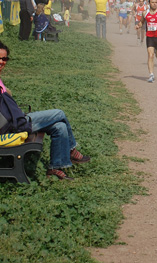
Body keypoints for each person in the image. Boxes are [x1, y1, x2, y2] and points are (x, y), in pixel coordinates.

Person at [0, 41, 90, 180]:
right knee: (59, 113)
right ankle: (71, 149)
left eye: (5, 59)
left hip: (15, 119)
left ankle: (55, 168)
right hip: (11, 126)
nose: (2, 62)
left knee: (59, 126)